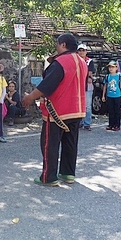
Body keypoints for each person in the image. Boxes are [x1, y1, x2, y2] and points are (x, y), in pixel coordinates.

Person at [22, 34, 86, 186]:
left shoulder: (60, 62)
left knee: (50, 144)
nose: (56, 48)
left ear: (63, 45)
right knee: (70, 143)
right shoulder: (82, 62)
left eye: (57, 44)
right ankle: (67, 173)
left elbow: (46, 86)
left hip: (58, 110)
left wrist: (30, 97)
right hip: (77, 109)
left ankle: (49, 177)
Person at [101, 60, 121, 131]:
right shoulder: (107, 76)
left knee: (117, 111)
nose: (111, 69)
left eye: (112, 67)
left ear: (116, 68)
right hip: (109, 96)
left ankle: (117, 125)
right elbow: (105, 86)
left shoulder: (119, 76)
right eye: (110, 67)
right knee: (110, 111)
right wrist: (103, 95)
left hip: (117, 96)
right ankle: (111, 124)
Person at [76, 44, 95, 131]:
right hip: (77, 86)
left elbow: (90, 72)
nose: (81, 52)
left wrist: (89, 77)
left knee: (87, 105)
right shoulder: (75, 60)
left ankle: (87, 123)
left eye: (83, 50)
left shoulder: (89, 61)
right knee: (78, 105)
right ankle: (80, 122)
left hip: (87, 86)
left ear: (86, 51)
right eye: (80, 50)